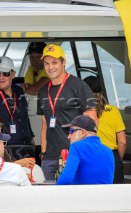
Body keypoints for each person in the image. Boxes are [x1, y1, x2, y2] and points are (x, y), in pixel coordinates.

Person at [37, 44, 97, 180]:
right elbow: (45, 125)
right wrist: (43, 154)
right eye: (46, 63)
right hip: (50, 158)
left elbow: (92, 121)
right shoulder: (42, 91)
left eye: (54, 62)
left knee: (74, 197)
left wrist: (83, 152)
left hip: (74, 155)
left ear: (64, 62)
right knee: (51, 198)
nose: (50, 67)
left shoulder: (78, 85)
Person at [0, 56, 35, 161]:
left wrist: (31, 137)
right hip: (4, 148)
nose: (1, 77)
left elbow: (25, 117)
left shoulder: (19, 91)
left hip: (26, 147)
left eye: (5, 73)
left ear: (13, 74)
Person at [84, 76, 127, 184]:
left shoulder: (83, 112)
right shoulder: (113, 110)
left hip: (90, 157)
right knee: (116, 197)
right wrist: (117, 159)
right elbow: (122, 142)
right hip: (111, 156)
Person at [56, 115, 114, 185]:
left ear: (82, 133)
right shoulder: (108, 151)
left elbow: (66, 179)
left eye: (71, 131)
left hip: (83, 194)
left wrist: (54, 192)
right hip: (105, 194)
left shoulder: (76, 146)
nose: (69, 136)